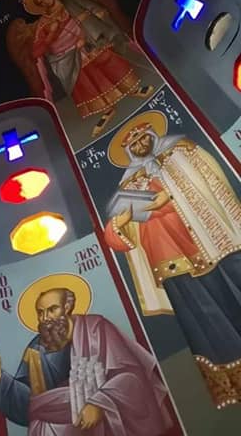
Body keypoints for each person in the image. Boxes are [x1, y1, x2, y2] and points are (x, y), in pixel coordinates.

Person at [103, 114, 241, 409]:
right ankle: (232, 381)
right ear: (127, 150)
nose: (140, 144)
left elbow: (209, 184)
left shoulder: (179, 152)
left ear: (153, 135)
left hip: (212, 241)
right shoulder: (129, 184)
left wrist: (167, 199)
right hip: (171, 262)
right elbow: (118, 232)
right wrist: (131, 218)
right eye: (133, 143)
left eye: (143, 137)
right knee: (207, 323)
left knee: (231, 299)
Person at [0, 280, 176, 435]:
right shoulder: (35, 349)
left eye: (52, 309)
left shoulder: (96, 328)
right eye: (40, 312)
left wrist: (99, 402)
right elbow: (32, 401)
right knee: (43, 426)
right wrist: (0, 377)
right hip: (59, 417)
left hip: (101, 410)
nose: (45, 318)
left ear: (67, 307)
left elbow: (129, 373)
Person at [10, 0, 152, 138]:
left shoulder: (72, 1)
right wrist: (52, 34)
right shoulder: (44, 23)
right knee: (86, 80)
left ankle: (133, 89)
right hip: (66, 58)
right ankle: (106, 110)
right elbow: (37, 52)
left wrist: (94, 29)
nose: (45, 2)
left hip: (91, 40)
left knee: (108, 62)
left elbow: (96, 9)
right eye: (41, 2)